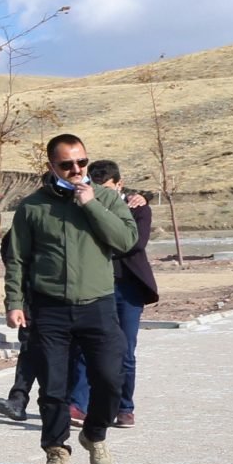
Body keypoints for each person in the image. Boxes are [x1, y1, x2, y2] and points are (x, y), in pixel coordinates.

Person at [2, 134, 139, 464]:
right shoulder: (33, 207)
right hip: (49, 309)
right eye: (66, 164)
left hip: (98, 306)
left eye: (82, 162)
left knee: (110, 378)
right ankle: (56, 453)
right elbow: (17, 259)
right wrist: (14, 302)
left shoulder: (106, 198)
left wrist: (91, 204)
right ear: (52, 166)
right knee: (53, 389)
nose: (76, 169)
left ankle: (94, 434)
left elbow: (126, 241)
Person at [68, 160, 157, 427]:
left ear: (119, 184)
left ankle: (125, 407)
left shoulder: (137, 207)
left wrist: (102, 245)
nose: (102, 193)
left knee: (125, 350)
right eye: (97, 187)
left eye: (107, 188)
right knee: (86, 347)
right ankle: (78, 405)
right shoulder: (83, 206)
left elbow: (135, 243)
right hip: (94, 286)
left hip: (127, 287)